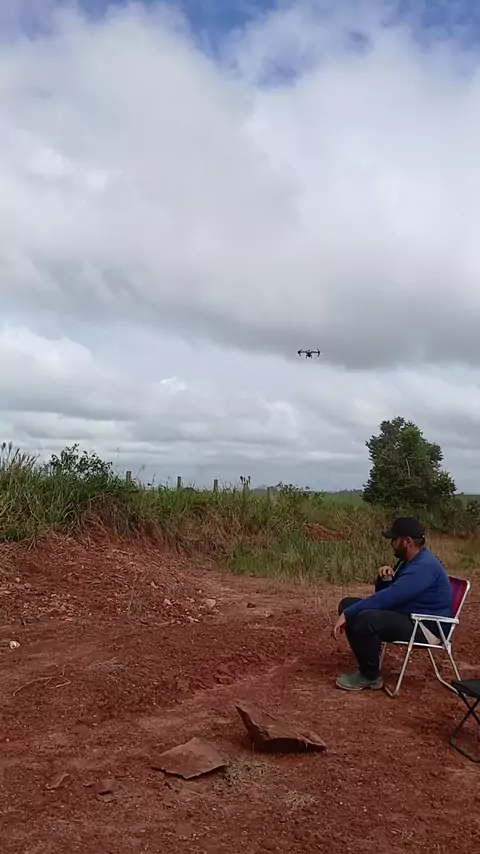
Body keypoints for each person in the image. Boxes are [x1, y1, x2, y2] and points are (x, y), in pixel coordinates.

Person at [332, 517, 453, 692]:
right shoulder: (407, 562)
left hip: (426, 627)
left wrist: (348, 614)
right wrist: (385, 579)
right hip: (409, 615)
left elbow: (390, 597)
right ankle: (368, 663)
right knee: (347, 604)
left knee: (364, 618)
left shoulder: (424, 566)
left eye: (394, 539)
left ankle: (369, 676)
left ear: (407, 541)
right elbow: (387, 594)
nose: (391, 544)